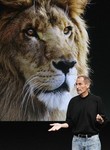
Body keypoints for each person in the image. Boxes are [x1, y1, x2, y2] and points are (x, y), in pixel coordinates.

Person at [48, 75, 107, 150]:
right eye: (76, 84)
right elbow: (70, 122)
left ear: (87, 85)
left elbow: (104, 121)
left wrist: (101, 120)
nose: (77, 87)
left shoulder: (96, 100)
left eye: (80, 84)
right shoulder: (73, 101)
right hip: (77, 141)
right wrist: (61, 125)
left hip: (93, 141)